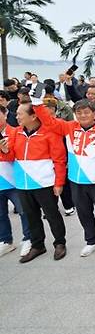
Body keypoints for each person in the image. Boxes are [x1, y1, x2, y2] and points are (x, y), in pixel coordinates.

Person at [34, 96, 95, 256]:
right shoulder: (69, 127)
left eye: (86, 112)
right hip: (76, 180)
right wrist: (38, 105)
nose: (82, 116)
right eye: (79, 112)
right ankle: (92, 240)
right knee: (83, 212)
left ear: (94, 113)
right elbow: (49, 122)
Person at [2, 100, 67, 263]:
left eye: (19, 114)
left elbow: (60, 160)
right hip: (23, 184)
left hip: (44, 183)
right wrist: (4, 150)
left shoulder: (50, 133)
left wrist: (59, 183)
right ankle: (38, 245)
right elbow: (11, 157)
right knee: (31, 216)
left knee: (52, 215)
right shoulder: (16, 133)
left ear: (33, 116)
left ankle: (60, 243)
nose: (16, 116)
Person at [0, 106, 31, 258]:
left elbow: (17, 155)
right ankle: (5, 241)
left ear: (5, 114)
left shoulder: (16, 132)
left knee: (24, 211)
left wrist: (5, 151)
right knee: (0, 214)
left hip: (14, 180)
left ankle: (28, 238)